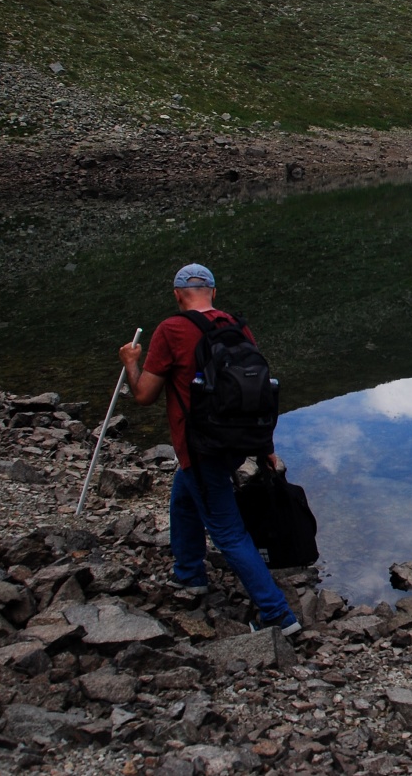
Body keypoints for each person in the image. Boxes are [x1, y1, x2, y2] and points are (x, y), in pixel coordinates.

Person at [119, 263, 301, 635]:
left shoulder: (171, 330)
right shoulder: (237, 327)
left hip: (201, 446)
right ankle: (189, 575)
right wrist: (265, 446)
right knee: (184, 499)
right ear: (213, 292)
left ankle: (279, 616)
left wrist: (131, 363)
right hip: (237, 440)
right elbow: (257, 390)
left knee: (229, 533)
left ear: (177, 295)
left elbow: (144, 395)